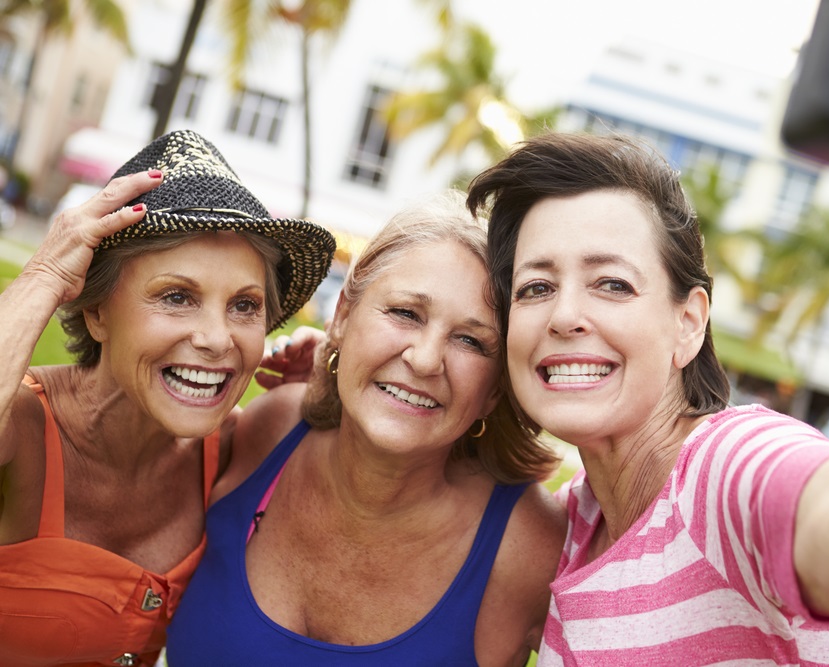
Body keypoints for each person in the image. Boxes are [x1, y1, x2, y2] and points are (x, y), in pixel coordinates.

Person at [465, 131, 829, 665]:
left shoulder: (723, 469)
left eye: (612, 284)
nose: (563, 317)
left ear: (688, 323)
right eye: (536, 288)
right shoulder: (576, 520)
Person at [164, 191, 567, 666]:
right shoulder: (269, 429)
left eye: (470, 341)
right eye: (405, 313)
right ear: (343, 317)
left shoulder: (528, 545)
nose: (424, 359)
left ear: (496, 390)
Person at [0, 129, 337, 667]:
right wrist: (43, 276)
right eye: (177, 297)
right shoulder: (21, 427)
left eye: (245, 306)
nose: (217, 338)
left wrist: (330, 384)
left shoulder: (229, 451)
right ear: (97, 312)